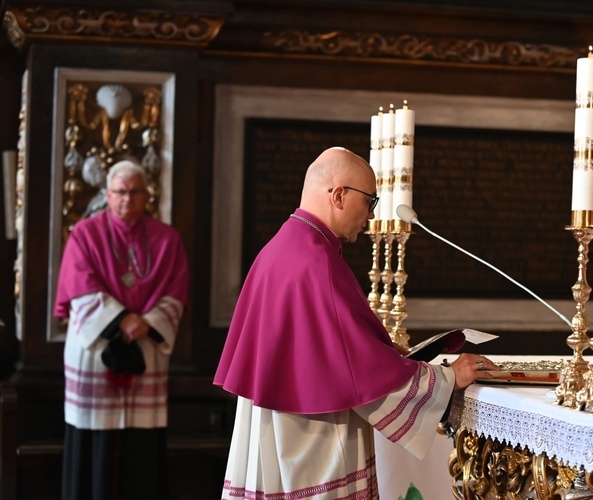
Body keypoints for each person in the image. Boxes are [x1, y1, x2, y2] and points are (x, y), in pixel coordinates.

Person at [214, 147, 497, 499]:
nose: (370, 217)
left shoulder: (281, 248)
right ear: (338, 195)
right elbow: (360, 367)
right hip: (312, 439)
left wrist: (382, 349)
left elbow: (330, 348)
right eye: (370, 201)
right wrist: (450, 377)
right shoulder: (317, 262)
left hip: (274, 429)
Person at [54, 160, 189, 500]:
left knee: (139, 449)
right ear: (106, 194)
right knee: (93, 440)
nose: (127, 199)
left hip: (146, 345)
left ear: (146, 195)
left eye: (134, 192)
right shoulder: (84, 233)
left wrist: (147, 322)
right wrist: (121, 319)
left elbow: (177, 287)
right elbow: (79, 282)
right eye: (119, 192)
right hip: (97, 348)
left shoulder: (167, 238)